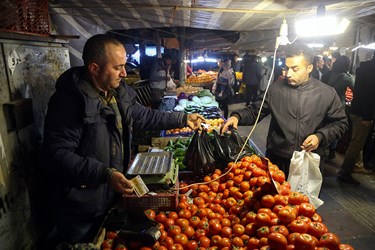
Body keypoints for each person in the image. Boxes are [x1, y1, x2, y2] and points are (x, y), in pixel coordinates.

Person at [40, 34, 205, 246]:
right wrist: (105, 173)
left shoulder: (116, 93)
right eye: (118, 67)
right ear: (94, 68)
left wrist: (182, 118)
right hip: (80, 203)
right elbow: (57, 154)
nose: (124, 73)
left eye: (124, 66)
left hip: (109, 194)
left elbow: (144, 116)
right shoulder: (69, 102)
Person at [221, 43, 348, 178]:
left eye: (295, 69)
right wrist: (237, 117)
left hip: (308, 160)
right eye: (287, 68)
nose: (288, 74)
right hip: (277, 159)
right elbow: (255, 110)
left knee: (304, 199)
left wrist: (320, 136)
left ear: (309, 68)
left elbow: (340, 123)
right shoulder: (276, 89)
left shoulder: (326, 93)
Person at [337, 51, 375, 185]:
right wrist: (367, 116)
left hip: (355, 110)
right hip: (363, 114)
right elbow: (369, 95)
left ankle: (351, 167)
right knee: (356, 144)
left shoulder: (363, 68)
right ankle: (345, 172)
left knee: (355, 143)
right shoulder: (372, 70)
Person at [324, 55, 354, 160]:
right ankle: (331, 151)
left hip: (324, 104)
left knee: (324, 126)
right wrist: (348, 107)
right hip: (338, 106)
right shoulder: (347, 78)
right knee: (335, 127)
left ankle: (323, 147)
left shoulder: (327, 74)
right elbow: (350, 95)